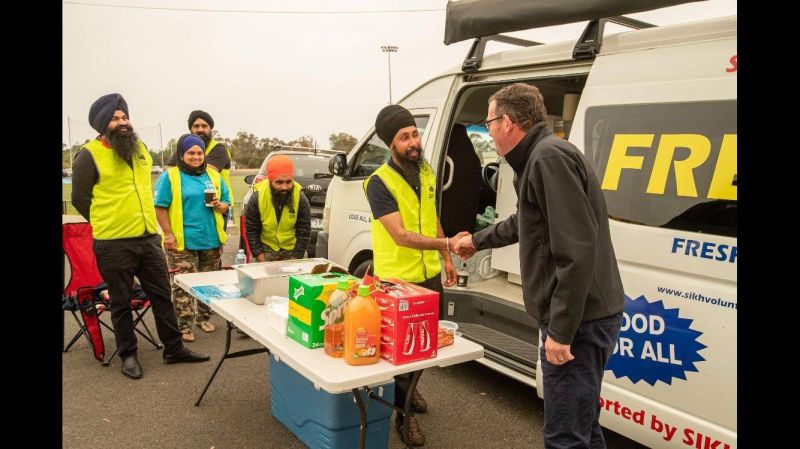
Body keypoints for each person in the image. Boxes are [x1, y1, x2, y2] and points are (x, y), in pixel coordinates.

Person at [452, 83, 624, 449]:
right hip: (582, 317)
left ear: (508, 122)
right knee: (583, 427)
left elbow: (576, 251)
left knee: (565, 436)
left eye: (489, 123)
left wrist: (561, 330)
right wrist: (477, 240)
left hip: (580, 322)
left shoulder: (548, 159)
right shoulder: (539, 157)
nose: (489, 131)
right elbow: (526, 221)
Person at [71, 93, 211, 380]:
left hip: (148, 238)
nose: (122, 122)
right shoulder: (89, 155)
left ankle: (174, 348)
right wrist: (107, 221)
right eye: (115, 118)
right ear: (101, 123)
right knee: (121, 302)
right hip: (113, 242)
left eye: (124, 117)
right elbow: (80, 199)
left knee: (162, 296)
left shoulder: (140, 149)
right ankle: (128, 354)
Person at [363, 104, 459, 447]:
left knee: (425, 345)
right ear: (391, 143)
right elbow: (401, 235)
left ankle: (411, 387)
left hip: (429, 275)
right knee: (404, 351)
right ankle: (403, 416)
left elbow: (431, 218)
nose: (413, 142)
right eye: (404, 137)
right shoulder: (378, 182)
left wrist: (445, 257)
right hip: (398, 281)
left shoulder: (426, 172)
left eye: (415, 134)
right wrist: (447, 243)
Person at [154, 134, 231, 342]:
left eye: (199, 153)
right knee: (183, 285)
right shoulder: (171, 176)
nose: (196, 157)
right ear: (181, 154)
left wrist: (220, 206)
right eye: (191, 153)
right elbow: (160, 207)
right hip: (181, 242)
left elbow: (226, 203)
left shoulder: (213, 176)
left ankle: (203, 318)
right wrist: (168, 234)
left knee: (208, 284)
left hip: (211, 240)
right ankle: (184, 326)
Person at [167, 110, 235, 229]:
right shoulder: (184, 147)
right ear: (190, 129)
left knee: (215, 237)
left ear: (210, 129)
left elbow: (203, 171)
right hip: (189, 203)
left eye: (204, 126)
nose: (200, 129)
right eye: (196, 126)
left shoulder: (219, 149)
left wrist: (184, 163)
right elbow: (168, 170)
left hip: (217, 204)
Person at [244, 155, 311, 261]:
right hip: (266, 249)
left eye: (288, 182)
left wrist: (294, 260)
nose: (284, 187)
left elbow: (304, 232)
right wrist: (262, 260)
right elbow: (252, 231)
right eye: (279, 182)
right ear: (270, 181)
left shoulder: (300, 198)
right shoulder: (257, 197)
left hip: (293, 250)